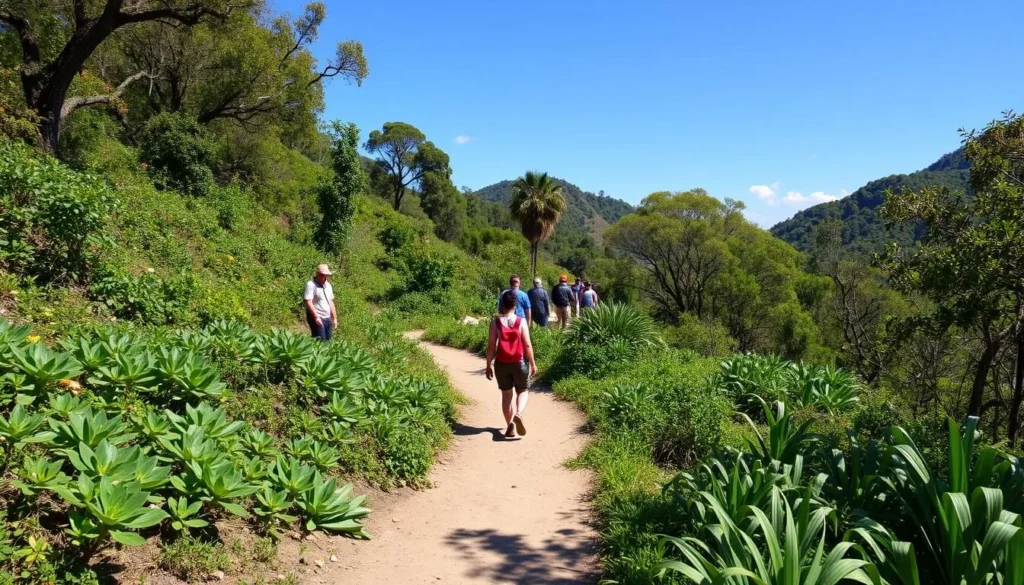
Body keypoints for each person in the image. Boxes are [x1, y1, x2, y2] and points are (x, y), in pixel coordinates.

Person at [486, 290, 538, 438]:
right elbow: (527, 345)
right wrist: (533, 364)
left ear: (502, 305)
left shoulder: (495, 323)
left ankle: (510, 425)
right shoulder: (521, 321)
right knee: (522, 390)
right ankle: (519, 414)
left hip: (501, 363)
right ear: (515, 305)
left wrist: (488, 365)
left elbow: (491, 346)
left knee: (506, 395)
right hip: (519, 362)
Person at [304, 264, 338, 341]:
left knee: (328, 341)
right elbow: (308, 301)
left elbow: (331, 301)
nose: (325, 277)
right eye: (323, 275)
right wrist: (316, 317)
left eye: (327, 275)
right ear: (318, 274)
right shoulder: (311, 285)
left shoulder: (328, 285)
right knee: (320, 342)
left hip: (327, 317)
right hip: (316, 317)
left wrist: (334, 318)